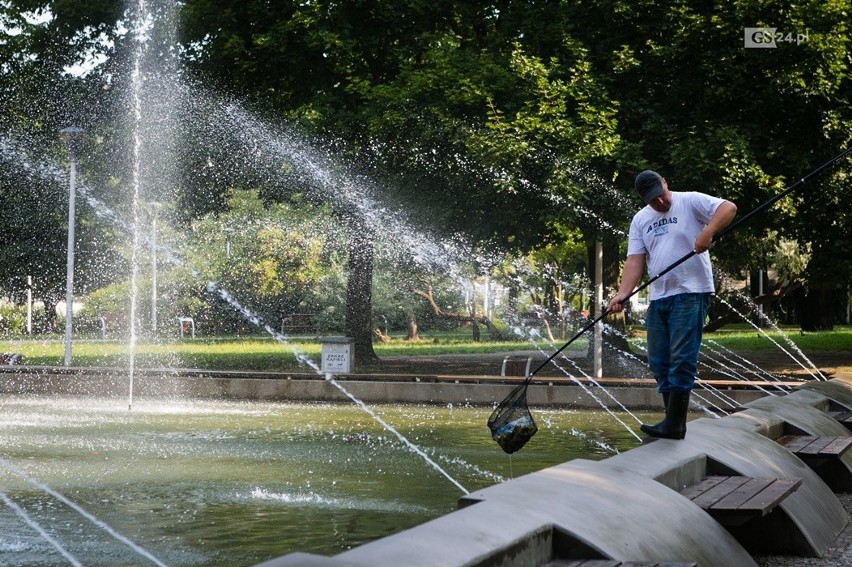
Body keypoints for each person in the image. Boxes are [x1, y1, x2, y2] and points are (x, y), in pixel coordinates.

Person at [607, 170, 737, 439]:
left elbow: (728, 207)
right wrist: (622, 293)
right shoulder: (640, 219)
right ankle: (672, 422)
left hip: (691, 293)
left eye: (662, 195)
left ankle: (675, 423)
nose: (661, 202)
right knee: (659, 361)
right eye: (654, 200)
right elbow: (635, 260)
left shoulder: (689, 201)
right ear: (644, 199)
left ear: (666, 183)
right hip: (659, 297)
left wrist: (708, 232)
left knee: (681, 358)